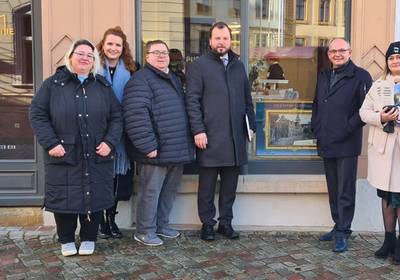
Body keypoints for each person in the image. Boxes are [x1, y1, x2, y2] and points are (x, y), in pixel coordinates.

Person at [29, 39, 122, 256]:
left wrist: (109, 142)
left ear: (94, 61)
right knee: (64, 195)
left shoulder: (102, 86)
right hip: (63, 152)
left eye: (89, 55)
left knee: (95, 193)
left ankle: (90, 237)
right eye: (79, 53)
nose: (84, 58)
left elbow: (117, 117)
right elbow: (37, 114)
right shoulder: (52, 84)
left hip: (97, 152)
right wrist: (51, 143)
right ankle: (66, 239)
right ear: (70, 57)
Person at [186, 22, 256, 241]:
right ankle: (207, 224)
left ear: (230, 41)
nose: (221, 42)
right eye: (217, 38)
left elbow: (247, 100)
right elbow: (192, 101)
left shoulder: (238, 65)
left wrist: (251, 126)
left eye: (225, 38)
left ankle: (226, 223)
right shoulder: (199, 66)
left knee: (229, 188)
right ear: (210, 41)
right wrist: (198, 130)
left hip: (235, 138)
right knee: (206, 188)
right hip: (209, 137)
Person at [123, 40, 194, 246]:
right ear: (147, 57)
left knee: (168, 192)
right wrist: (147, 146)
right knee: (150, 192)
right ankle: (144, 230)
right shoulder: (140, 80)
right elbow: (136, 116)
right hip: (155, 151)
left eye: (164, 53)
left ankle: (161, 225)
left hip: (175, 149)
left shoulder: (171, 78)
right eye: (156, 53)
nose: (161, 56)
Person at [311, 38, 372, 252]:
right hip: (327, 140)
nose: (337, 54)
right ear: (328, 54)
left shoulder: (361, 76)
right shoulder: (324, 75)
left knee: (345, 190)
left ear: (350, 52)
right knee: (333, 188)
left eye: (342, 50)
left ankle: (344, 232)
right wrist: (316, 127)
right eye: (333, 51)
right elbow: (317, 104)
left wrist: (346, 127)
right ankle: (337, 225)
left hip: (347, 142)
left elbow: (366, 110)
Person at [360, 41, 400, 263]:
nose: (395, 61)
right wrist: (381, 118)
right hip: (384, 151)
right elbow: (363, 113)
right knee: (386, 197)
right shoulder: (378, 85)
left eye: (398, 57)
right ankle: (388, 240)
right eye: (391, 58)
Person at [96, 26, 137, 239]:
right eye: (109, 43)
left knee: (118, 181)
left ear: (123, 48)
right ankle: (101, 221)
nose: (113, 48)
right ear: (103, 45)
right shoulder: (93, 68)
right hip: (97, 134)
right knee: (100, 179)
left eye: (117, 45)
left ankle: (111, 218)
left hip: (122, 136)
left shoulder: (131, 69)